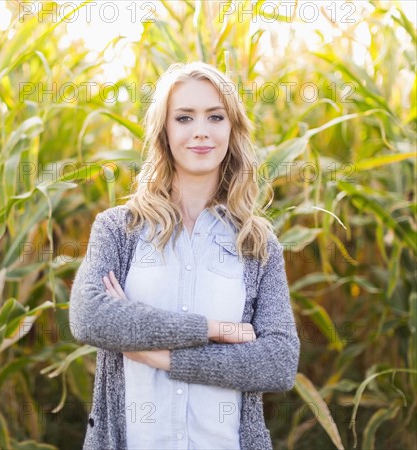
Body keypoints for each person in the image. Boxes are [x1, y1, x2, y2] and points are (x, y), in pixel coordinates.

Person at [69, 61, 300, 450]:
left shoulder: (257, 244)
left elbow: (277, 362)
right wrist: (216, 330)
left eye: (215, 116)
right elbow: (89, 317)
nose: (201, 132)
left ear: (232, 128)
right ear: (164, 131)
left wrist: (160, 356)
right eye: (184, 117)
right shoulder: (118, 230)